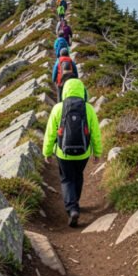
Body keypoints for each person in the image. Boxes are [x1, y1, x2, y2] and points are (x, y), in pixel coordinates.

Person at [43, 78, 102, 227]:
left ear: (65, 91)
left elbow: (50, 133)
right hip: (83, 153)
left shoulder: (58, 108)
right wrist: (97, 152)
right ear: (82, 91)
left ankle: (72, 208)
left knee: (67, 178)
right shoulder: (88, 108)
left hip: (63, 153)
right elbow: (95, 133)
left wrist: (47, 152)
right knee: (78, 176)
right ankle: (75, 201)